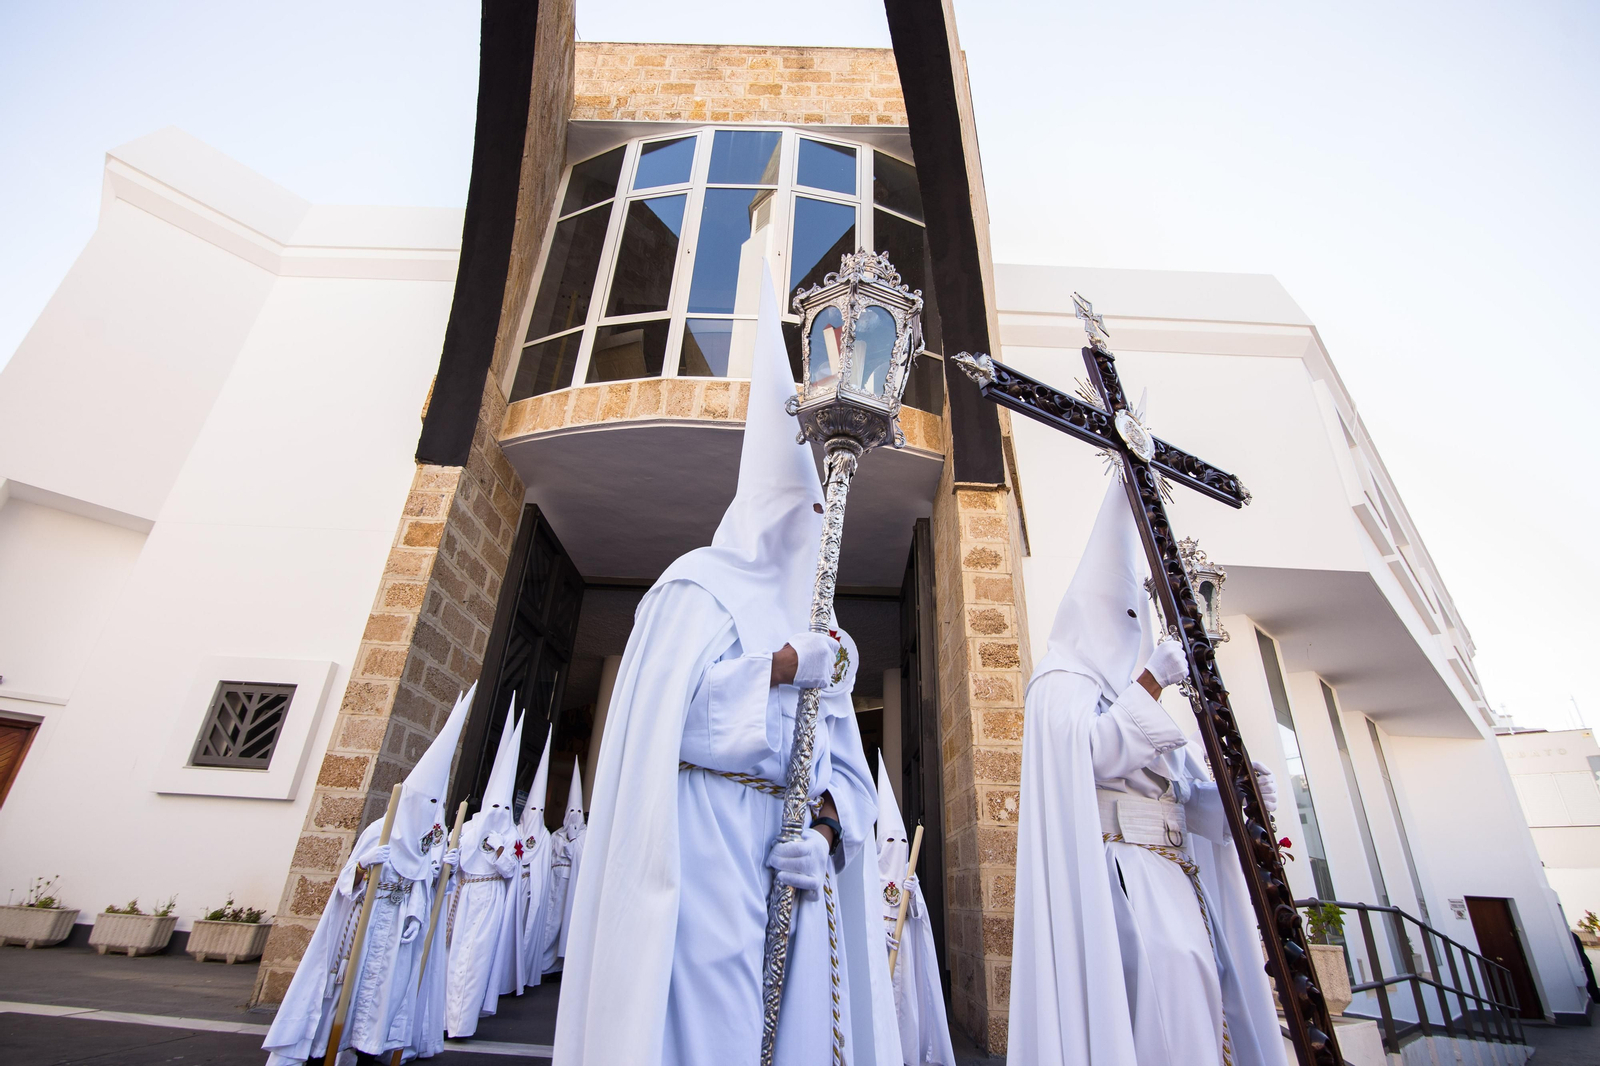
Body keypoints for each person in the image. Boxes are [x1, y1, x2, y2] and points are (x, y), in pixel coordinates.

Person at [552, 266, 900, 1066]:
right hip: (703, 843)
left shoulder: (821, 627)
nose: (813, 531)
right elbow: (666, 725)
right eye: (801, 513)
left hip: (787, 855)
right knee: (713, 1027)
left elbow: (845, 767)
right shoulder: (695, 588)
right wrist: (777, 668)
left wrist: (826, 833)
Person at [1008, 481, 1287, 1066]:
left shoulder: (1135, 688)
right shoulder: (1061, 681)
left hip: (1176, 875)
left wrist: (1234, 800)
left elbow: (1177, 795)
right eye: (1124, 614)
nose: (1133, 630)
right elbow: (1091, 755)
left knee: (1208, 992)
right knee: (1163, 998)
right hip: (1119, 872)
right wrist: (1152, 683)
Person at [263, 686, 469, 1065]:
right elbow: (348, 882)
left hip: (399, 926)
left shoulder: (425, 841)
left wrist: (435, 886)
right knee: (351, 984)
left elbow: (423, 885)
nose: (429, 810)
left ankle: (371, 1046)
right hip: (369, 918)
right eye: (425, 803)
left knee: (387, 990)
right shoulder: (380, 831)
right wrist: (363, 866)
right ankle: (329, 1046)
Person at [443, 707, 523, 1038]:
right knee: (450, 956)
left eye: (504, 808)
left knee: (474, 958)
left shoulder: (512, 834)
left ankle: (462, 1022)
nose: (498, 813)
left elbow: (511, 869)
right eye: (494, 807)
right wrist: (451, 858)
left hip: (489, 895)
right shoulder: (467, 828)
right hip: (463, 894)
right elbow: (453, 862)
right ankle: (442, 1019)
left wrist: (498, 850)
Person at [875, 754, 956, 1066]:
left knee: (906, 1002)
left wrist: (913, 898)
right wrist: (877, 933)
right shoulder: (869, 875)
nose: (896, 846)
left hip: (905, 948)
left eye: (901, 840)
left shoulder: (909, 878)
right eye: (890, 840)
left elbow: (920, 919)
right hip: (880, 949)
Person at [516, 726, 555, 988]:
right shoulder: (515, 833)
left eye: (539, 811)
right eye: (532, 810)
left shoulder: (546, 837)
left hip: (533, 887)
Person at [546, 760, 587, 964]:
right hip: (554, 881)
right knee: (549, 920)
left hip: (572, 883)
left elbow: (582, 858)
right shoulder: (555, 836)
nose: (575, 816)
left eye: (578, 812)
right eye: (572, 812)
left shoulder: (586, 836)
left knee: (565, 922)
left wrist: (573, 840)